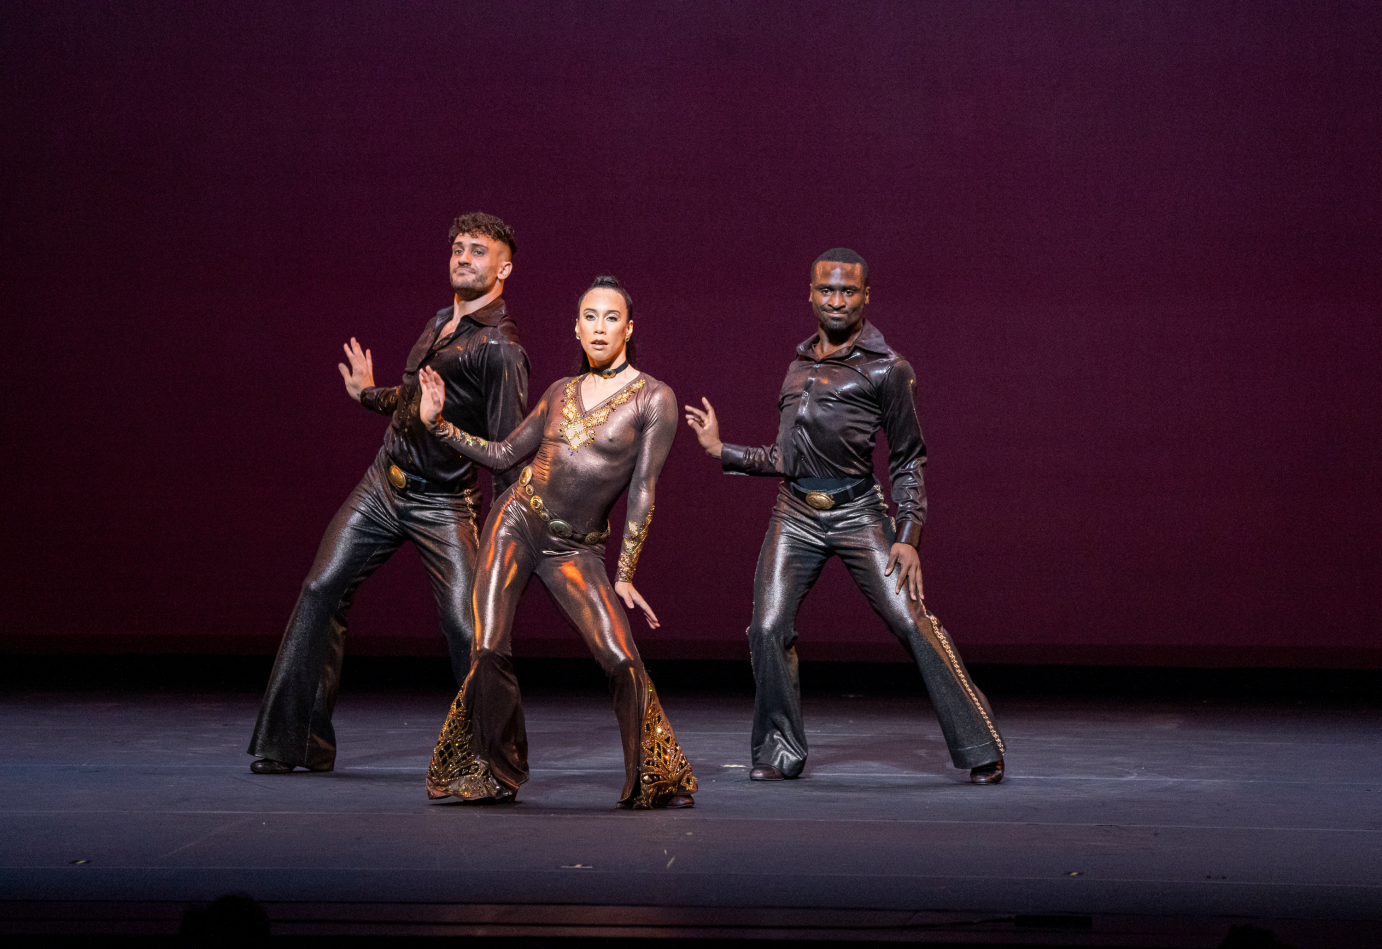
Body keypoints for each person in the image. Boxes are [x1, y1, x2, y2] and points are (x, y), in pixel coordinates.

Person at [684, 248, 1006, 784]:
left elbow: (908, 458)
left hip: (859, 513)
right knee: (766, 628)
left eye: (848, 291)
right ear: (810, 294)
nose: (837, 300)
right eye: (827, 290)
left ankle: (980, 744)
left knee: (912, 621)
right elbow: (788, 458)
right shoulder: (798, 366)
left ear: (865, 297)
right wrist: (722, 450)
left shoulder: (889, 369)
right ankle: (779, 751)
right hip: (795, 514)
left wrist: (908, 534)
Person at [247, 213, 529, 774]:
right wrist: (366, 394)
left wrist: (507, 540)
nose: (463, 257)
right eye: (458, 247)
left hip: (443, 503)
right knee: (321, 590)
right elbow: (413, 403)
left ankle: (496, 763)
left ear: (504, 268)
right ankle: (297, 743)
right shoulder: (439, 322)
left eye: (478, 250)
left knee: (469, 627)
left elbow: (508, 453)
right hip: (383, 483)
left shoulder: (500, 348)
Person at [417, 275, 696, 808]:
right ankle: (496, 771)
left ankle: (658, 778)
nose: (599, 328)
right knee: (487, 647)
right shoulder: (559, 391)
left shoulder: (654, 398)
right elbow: (503, 455)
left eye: (611, 318)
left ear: (629, 329)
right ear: (576, 327)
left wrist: (626, 572)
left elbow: (643, 489)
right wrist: (438, 426)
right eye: (590, 317)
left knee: (621, 658)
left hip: (575, 549)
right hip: (517, 521)